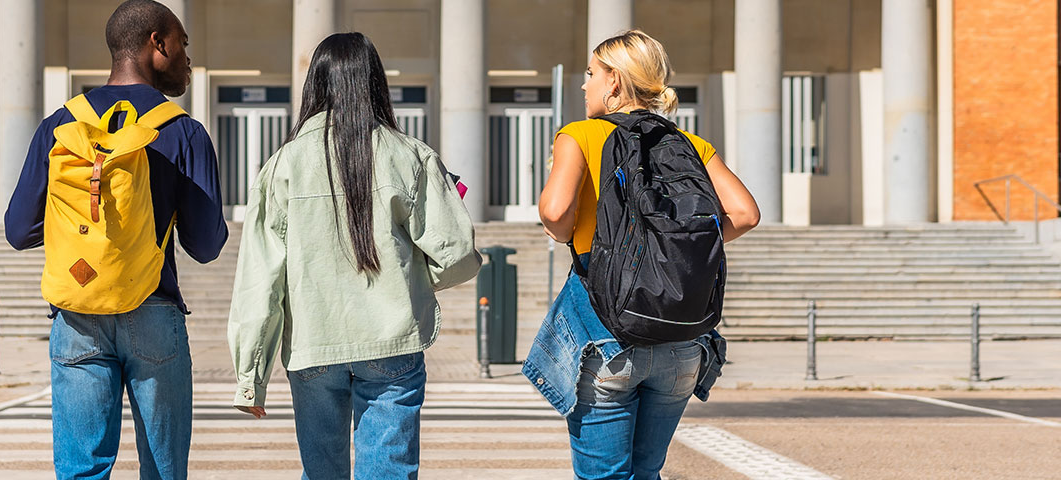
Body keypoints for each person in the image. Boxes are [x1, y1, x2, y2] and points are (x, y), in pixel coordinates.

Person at [227, 32, 482, 480]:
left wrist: (251, 376)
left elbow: (259, 281)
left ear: (315, 86)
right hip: (391, 339)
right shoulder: (410, 156)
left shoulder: (281, 166)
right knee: (388, 470)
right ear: (375, 83)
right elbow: (459, 255)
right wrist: (410, 278)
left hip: (313, 344)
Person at [1, 1, 227, 479]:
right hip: (153, 309)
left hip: (77, 312)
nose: (187, 58)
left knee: (82, 471)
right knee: (163, 471)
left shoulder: (59, 125)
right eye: (183, 44)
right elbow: (206, 246)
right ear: (157, 43)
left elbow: (18, 231)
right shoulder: (183, 132)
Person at [524, 29, 761, 479]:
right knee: (647, 472)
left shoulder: (580, 136)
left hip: (606, 332)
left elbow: (554, 213)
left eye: (591, 73)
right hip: (680, 337)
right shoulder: (690, 145)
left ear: (614, 81)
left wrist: (571, 232)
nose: (584, 84)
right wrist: (675, 250)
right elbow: (746, 214)